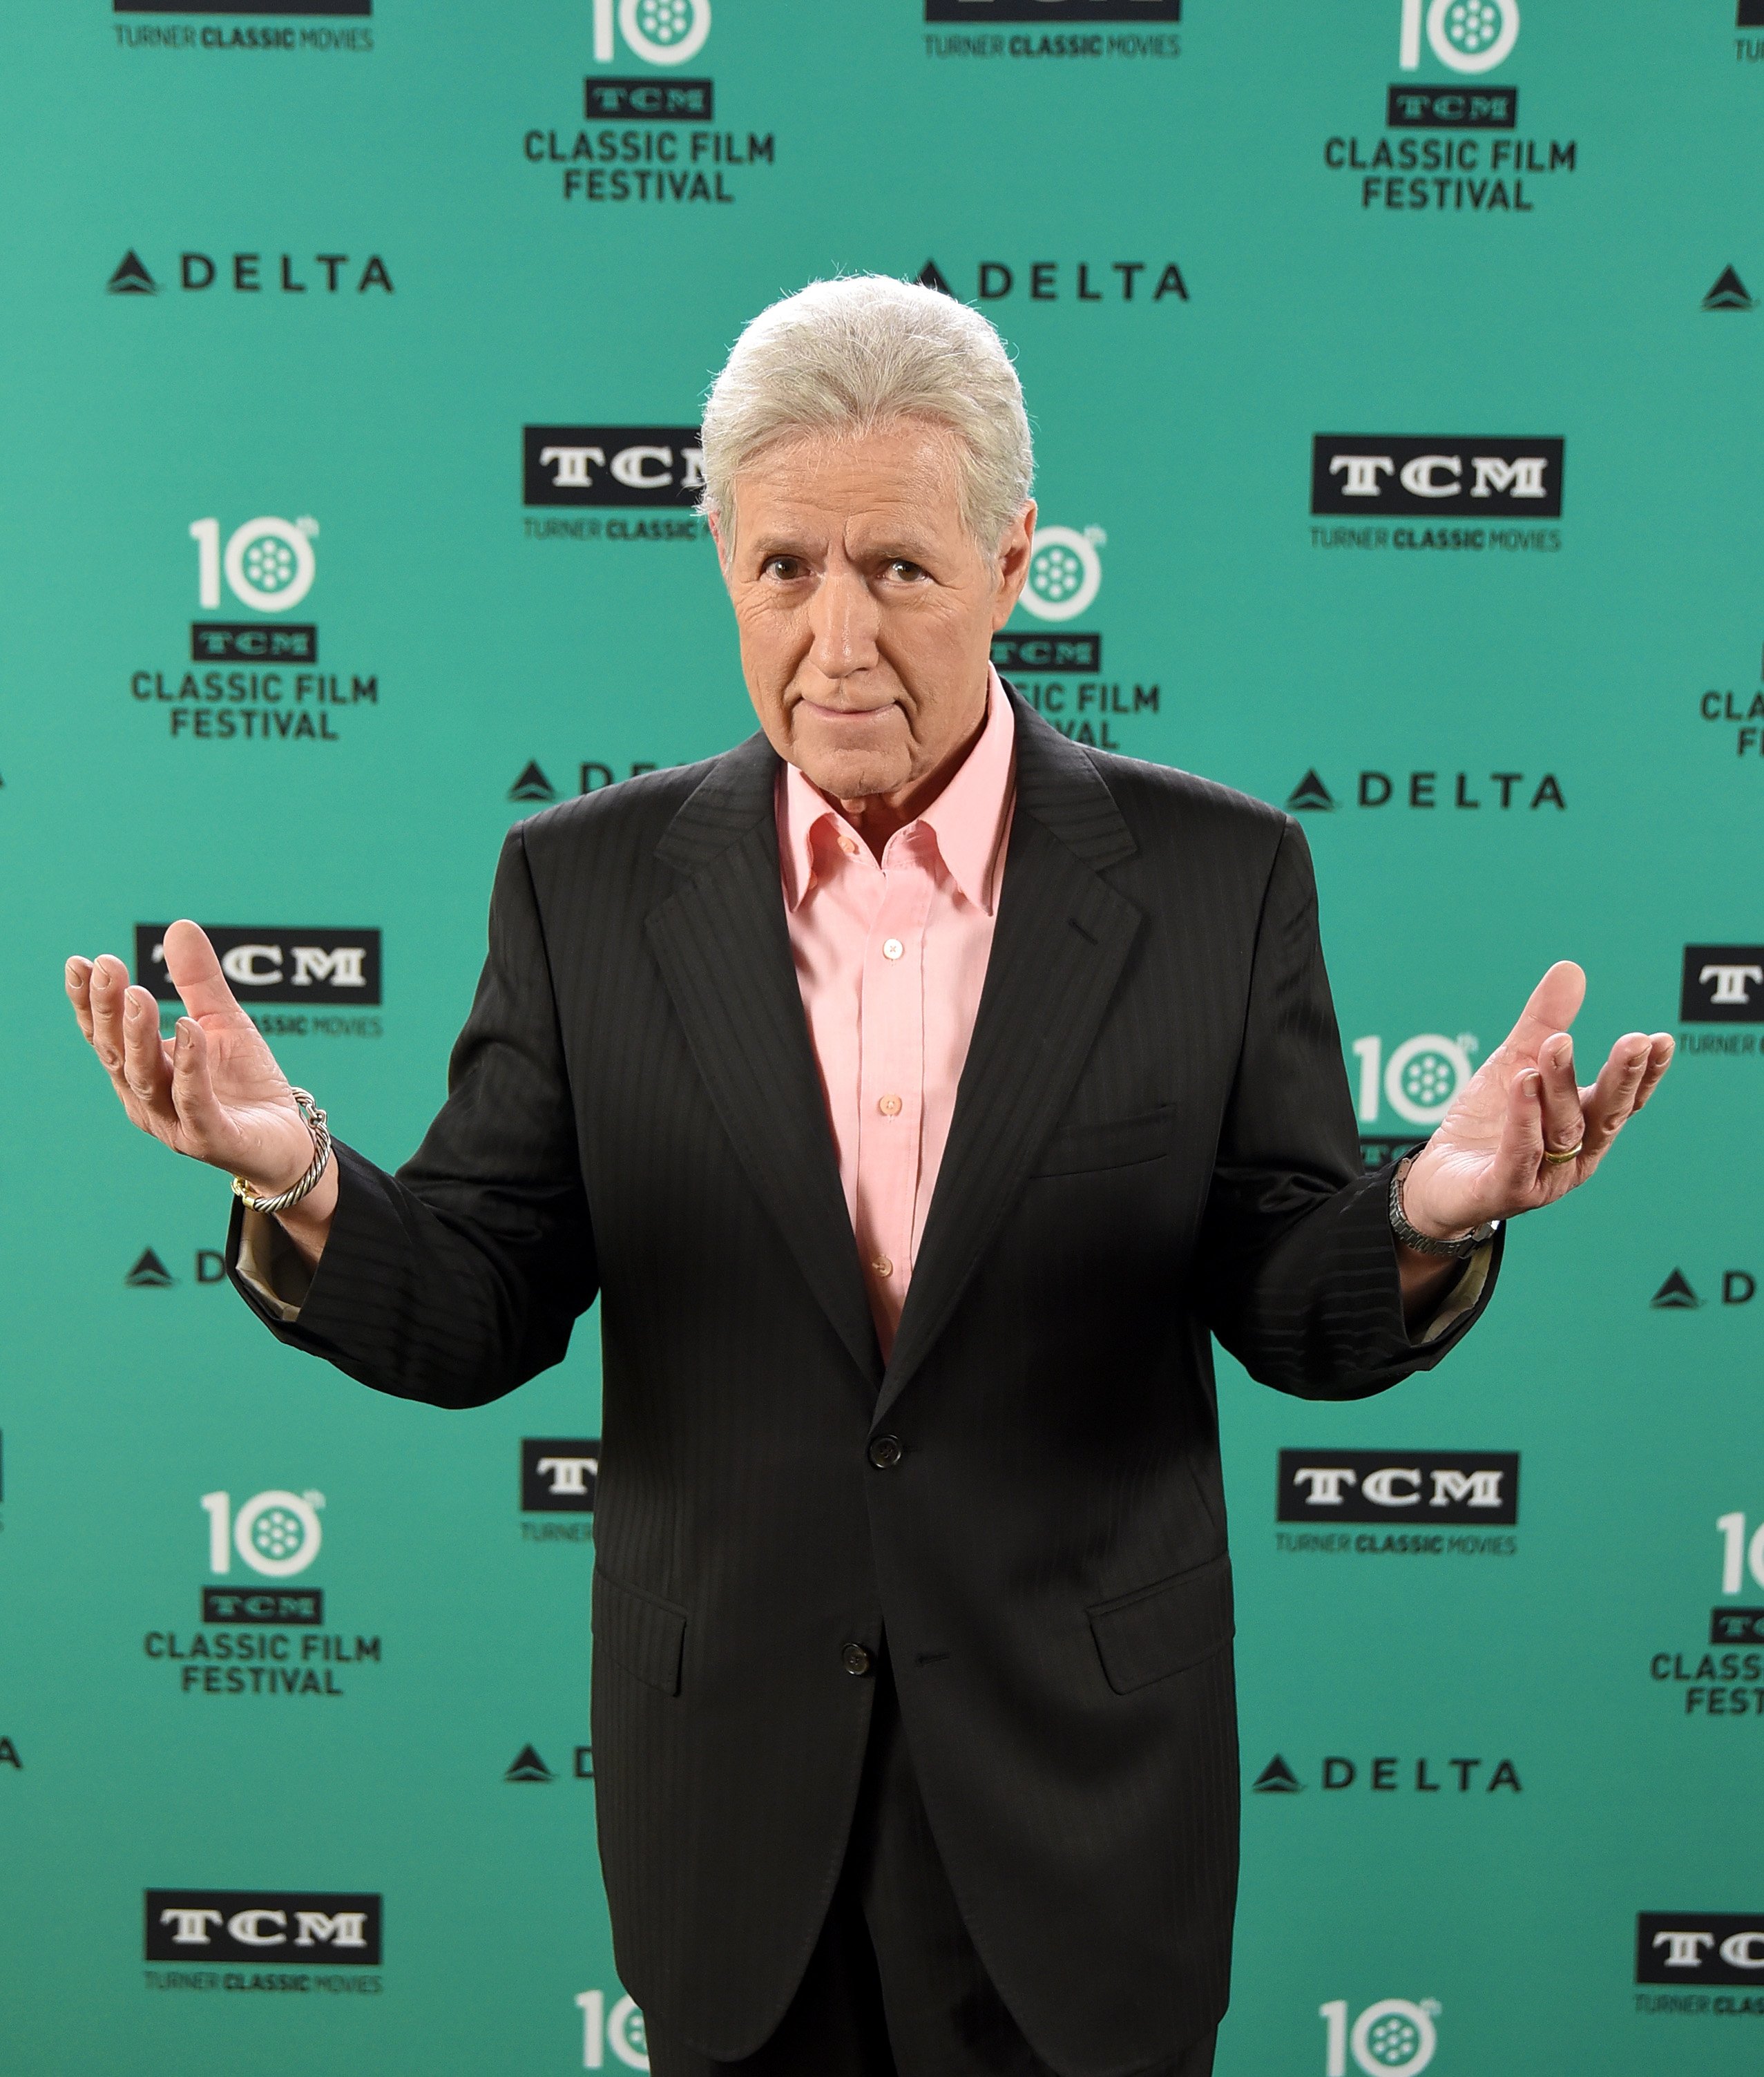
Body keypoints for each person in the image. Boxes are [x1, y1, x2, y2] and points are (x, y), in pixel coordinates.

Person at [65, 276, 1673, 2077]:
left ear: (1014, 562)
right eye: (785, 570)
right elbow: (479, 1300)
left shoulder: (1219, 877)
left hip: (1088, 1805)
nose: (837, 635)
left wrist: (1428, 1217)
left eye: (899, 570)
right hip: (729, 1799)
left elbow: (1284, 1294)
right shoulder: (580, 889)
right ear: (721, 561)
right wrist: (294, 1177)